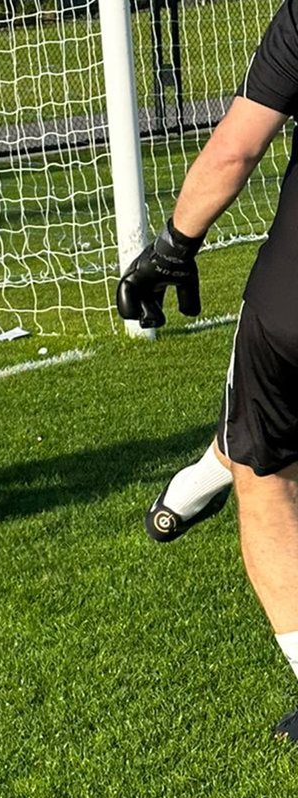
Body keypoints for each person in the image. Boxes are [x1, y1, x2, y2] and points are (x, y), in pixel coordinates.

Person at [116, 0, 298, 739]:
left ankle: (221, 463)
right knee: (266, 447)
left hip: (292, 310)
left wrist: (171, 249)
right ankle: (218, 461)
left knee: (270, 480)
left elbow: (236, 149)